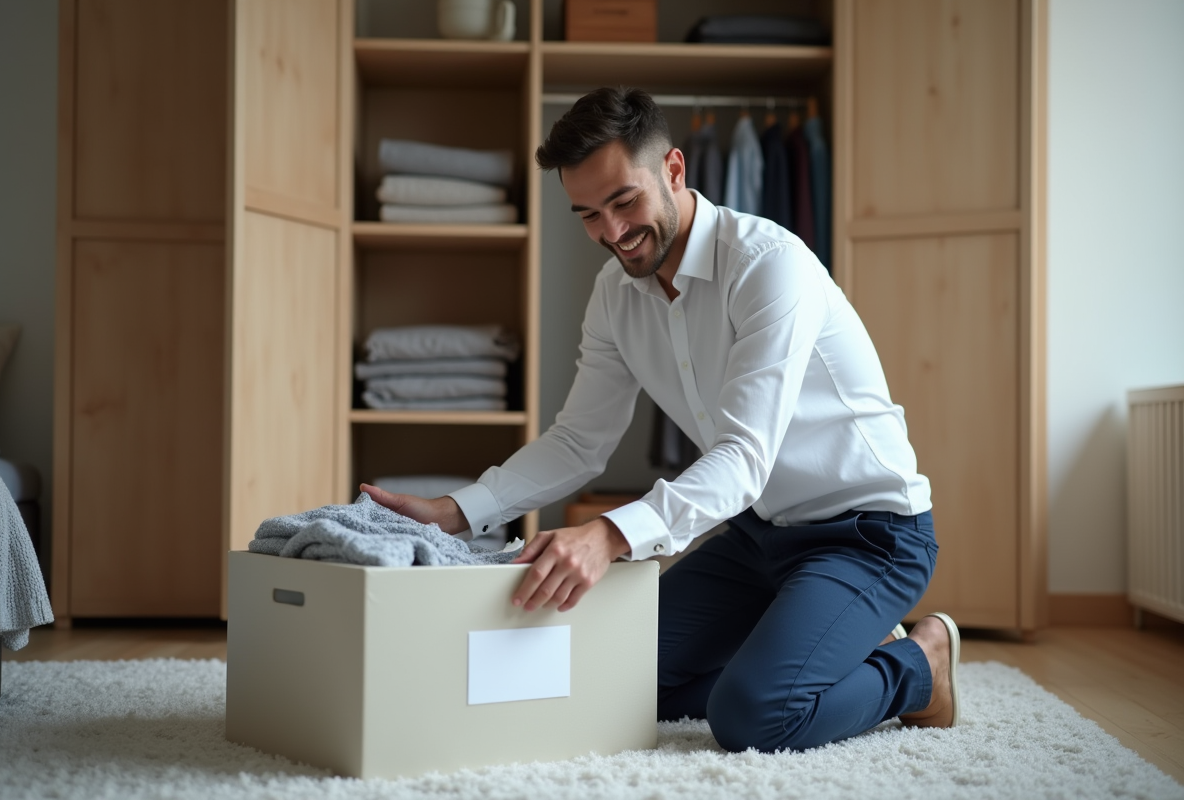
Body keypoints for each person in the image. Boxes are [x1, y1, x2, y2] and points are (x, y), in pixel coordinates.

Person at [361, 86, 960, 753]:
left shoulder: (769, 266)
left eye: (624, 202)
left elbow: (743, 458)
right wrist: (454, 511)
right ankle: (817, 643)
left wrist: (608, 535)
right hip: (758, 538)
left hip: (869, 535)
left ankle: (920, 664)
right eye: (588, 215)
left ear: (673, 169)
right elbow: (579, 440)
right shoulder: (614, 296)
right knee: (615, 677)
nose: (612, 232)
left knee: (753, 717)